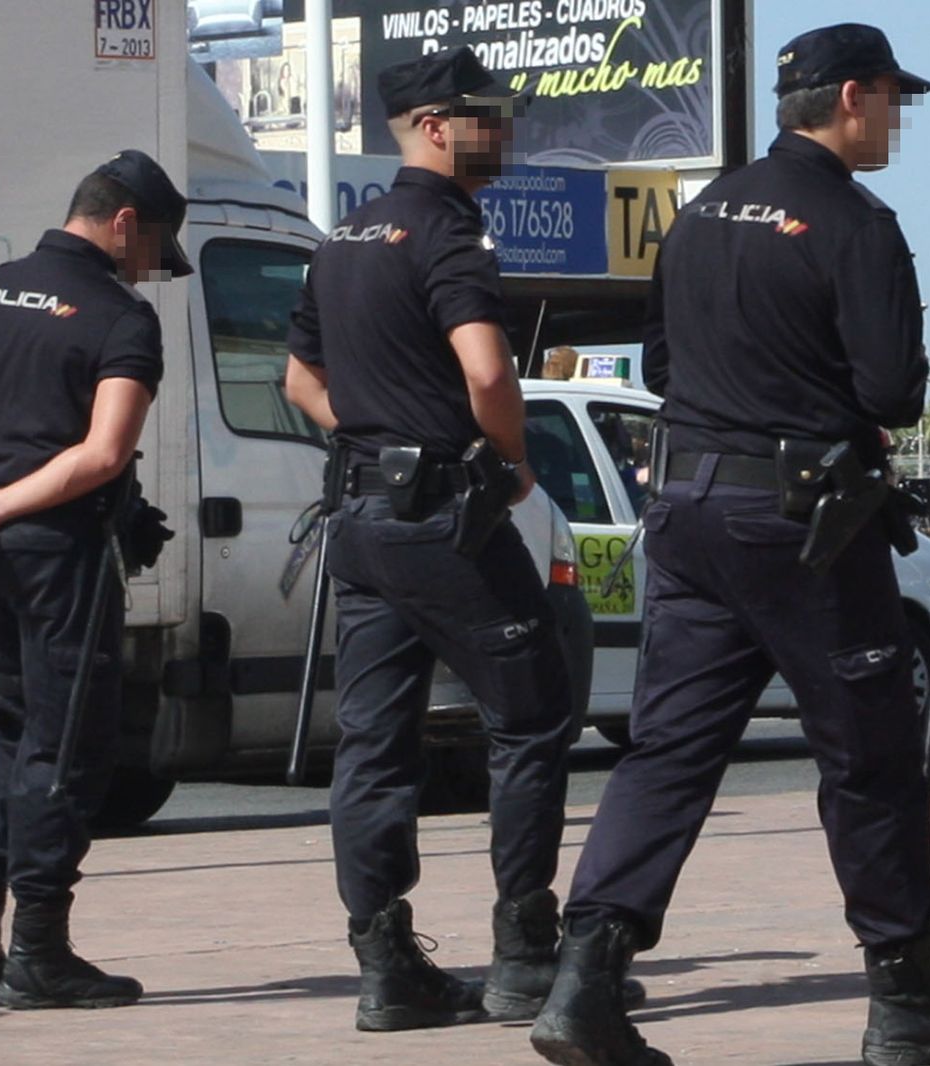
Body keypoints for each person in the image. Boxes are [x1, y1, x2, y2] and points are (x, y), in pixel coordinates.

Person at [530, 25, 930, 1066]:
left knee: (668, 751)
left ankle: (583, 980)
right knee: (869, 755)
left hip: (686, 513)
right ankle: (906, 998)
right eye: (893, 98)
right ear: (851, 95)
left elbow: (663, 362)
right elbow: (895, 391)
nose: (896, 118)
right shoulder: (854, 220)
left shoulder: (703, 210)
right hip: (803, 522)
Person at [284, 46, 603, 1033]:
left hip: (362, 523)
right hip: (441, 522)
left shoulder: (340, 239)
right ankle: (523, 954)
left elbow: (298, 382)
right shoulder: (447, 232)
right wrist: (507, 460)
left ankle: (386, 967)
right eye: (486, 115)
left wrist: (375, 439)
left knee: (374, 742)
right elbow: (489, 371)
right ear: (433, 126)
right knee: (534, 713)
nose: (502, 130)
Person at [0, 149, 192, 1008]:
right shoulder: (120, 318)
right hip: (59, 553)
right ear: (125, 223)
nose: (152, 269)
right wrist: (1, 505)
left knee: (13, 725)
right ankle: (38, 950)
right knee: (64, 744)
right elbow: (103, 454)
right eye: (154, 247)